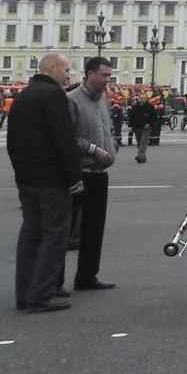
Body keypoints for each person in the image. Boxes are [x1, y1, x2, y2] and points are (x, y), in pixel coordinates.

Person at [7, 53, 84, 313]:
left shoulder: (23, 96)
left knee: (31, 234)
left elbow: (12, 140)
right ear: (52, 68)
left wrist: (19, 170)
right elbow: (62, 137)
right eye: (66, 70)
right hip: (51, 178)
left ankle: (25, 293)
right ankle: (41, 293)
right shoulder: (53, 96)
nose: (68, 76)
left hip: (26, 177)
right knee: (55, 234)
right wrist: (74, 175)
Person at [66, 57, 117, 292]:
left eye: (109, 76)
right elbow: (66, 137)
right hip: (80, 173)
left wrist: (111, 147)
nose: (108, 80)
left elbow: (109, 130)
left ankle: (87, 276)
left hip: (99, 174)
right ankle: (54, 280)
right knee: (69, 229)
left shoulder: (103, 101)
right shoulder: (72, 100)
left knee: (95, 228)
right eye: (104, 75)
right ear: (88, 74)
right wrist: (93, 149)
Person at [127, 95, 155, 162]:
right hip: (137, 127)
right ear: (138, 99)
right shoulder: (135, 108)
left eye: (144, 98)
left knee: (143, 142)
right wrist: (130, 126)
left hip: (146, 127)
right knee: (139, 142)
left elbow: (154, 117)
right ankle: (143, 157)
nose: (143, 99)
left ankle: (139, 156)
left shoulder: (150, 107)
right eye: (141, 98)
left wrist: (149, 123)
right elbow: (131, 117)